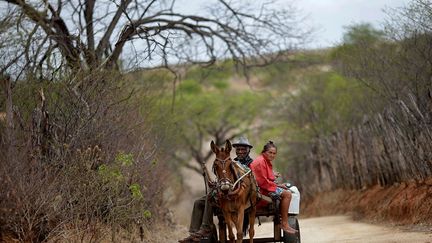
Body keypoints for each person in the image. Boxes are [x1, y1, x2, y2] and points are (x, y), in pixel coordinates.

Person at [179, 136, 254, 243]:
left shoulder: (252, 163)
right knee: (198, 202)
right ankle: (195, 233)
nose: (241, 151)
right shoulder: (230, 161)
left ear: (248, 150)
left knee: (209, 197)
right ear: (235, 150)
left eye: (243, 149)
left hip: (240, 194)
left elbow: (254, 179)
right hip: (223, 189)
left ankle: (205, 228)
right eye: (239, 149)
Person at [250, 141, 297, 234]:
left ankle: (283, 220)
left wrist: (278, 184)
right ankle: (284, 223)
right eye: (270, 152)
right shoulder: (260, 162)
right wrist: (277, 186)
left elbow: (266, 178)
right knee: (287, 194)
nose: (272, 155)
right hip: (261, 191)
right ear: (264, 152)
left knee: (285, 189)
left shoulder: (264, 160)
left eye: (274, 153)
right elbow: (262, 182)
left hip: (263, 187)